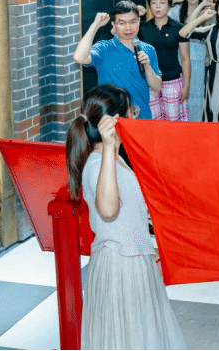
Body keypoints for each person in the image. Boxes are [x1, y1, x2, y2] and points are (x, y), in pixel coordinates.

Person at [66, 84, 186, 349]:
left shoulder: (115, 159)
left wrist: (149, 249)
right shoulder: (98, 163)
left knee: (141, 335)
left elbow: (129, 215)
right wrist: (110, 147)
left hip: (134, 259)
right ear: (117, 120)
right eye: (134, 112)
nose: (136, 117)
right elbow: (109, 211)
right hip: (119, 266)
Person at [73, 1, 162, 120]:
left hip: (142, 117)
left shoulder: (148, 49)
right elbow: (79, 57)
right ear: (114, 25)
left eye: (133, 22)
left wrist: (147, 67)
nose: (128, 28)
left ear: (139, 21)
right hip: (111, 120)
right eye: (122, 23)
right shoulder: (104, 48)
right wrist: (95, 25)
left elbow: (157, 87)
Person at [140, 0, 190, 121]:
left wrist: (186, 86)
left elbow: (185, 59)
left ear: (169, 6)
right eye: (153, 3)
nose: (157, 7)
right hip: (150, 82)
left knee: (174, 123)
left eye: (162, 3)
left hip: (173, 81)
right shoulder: (143, 28)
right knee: (154, 122)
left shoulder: (179, 28)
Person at [170, 0, 210, 121]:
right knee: (181, 93)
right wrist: (173, 1)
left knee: (197, 95)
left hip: (200, 58)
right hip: (180, 57)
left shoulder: (208, 12)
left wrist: (203, 6)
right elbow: (187, 26)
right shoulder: (176, 11)